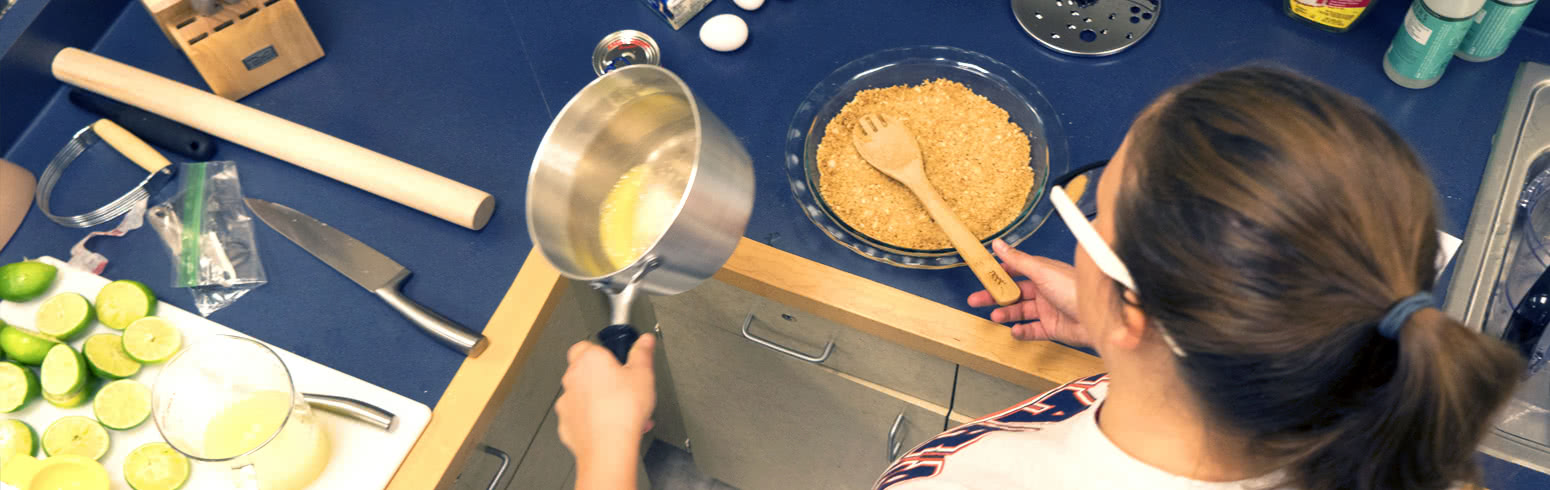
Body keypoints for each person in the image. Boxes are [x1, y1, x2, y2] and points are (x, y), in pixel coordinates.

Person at [553, 67, 1526, 490]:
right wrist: (1108, 342)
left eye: (1095, 208)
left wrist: (607, 448)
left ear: (1141, 307)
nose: (1082, 217)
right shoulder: (1399, 435)